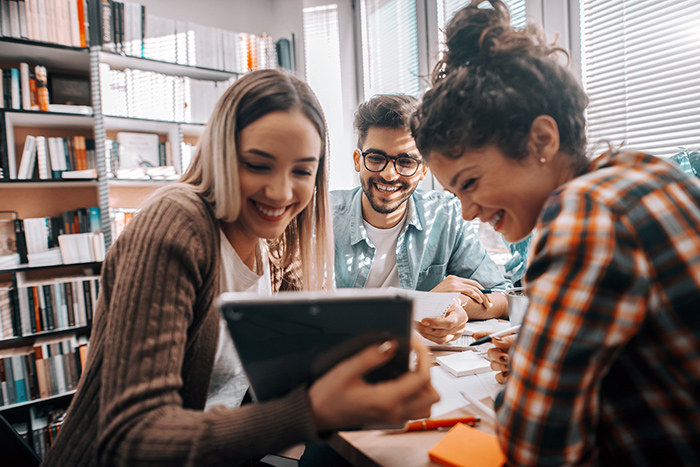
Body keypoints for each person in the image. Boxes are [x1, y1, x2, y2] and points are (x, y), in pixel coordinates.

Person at [42, 69, 439, 467]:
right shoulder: (177, 223)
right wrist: (310, 413)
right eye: (258, 165)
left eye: (302, 170)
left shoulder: (277, 241)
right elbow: (133, 438)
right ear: (222, 156)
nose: (282, 192)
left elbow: (296, 369)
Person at [412, 0, 700, 464]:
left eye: (470, 183)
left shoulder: (584, 212)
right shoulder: (644, 174)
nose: (465, 213)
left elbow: (534, 445)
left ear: (541, 140)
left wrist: (529, 376)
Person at [332, 94, 510, 344]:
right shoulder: (322, 219)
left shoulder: (446, 215)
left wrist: (455, 306)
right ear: (357, 161)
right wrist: (422, 305)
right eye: (376, 158)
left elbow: (501, 297)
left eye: (405, 162)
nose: (389, 174)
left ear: (423, 169)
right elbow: (313, 315)